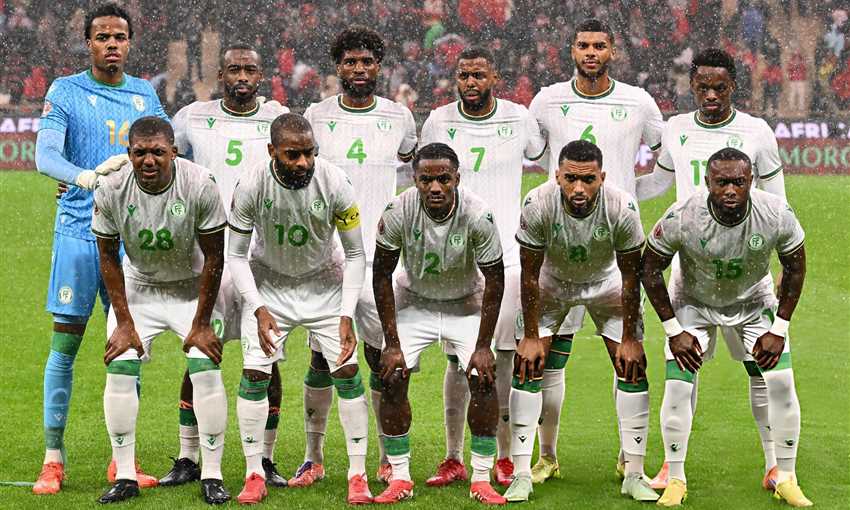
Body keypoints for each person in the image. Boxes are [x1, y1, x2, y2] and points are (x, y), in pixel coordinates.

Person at [635, 48, 786, 491]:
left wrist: (781, 263)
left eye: (720, 87)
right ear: (692, 86)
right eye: (703, 87)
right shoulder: (677, 129)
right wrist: (617, 189)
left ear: (733, 86)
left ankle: (775, 465)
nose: (712, 95)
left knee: (761, 369)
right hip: (692, 273)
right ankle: (672, 465)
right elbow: (659, 182)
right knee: (683, 368)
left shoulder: (757, 131)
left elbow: (778, 201)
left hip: (748, 275)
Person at [33, 2, 167, 495]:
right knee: (65, 343)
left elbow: (170, 149)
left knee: (128, 345)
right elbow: (45, 155)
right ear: (88, 43)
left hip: (130, 238)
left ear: (130, 43)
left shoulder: (144, 93)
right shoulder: (65, 90)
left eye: (120, 36)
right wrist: (84, 177)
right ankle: (53, 458)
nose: (112, 44)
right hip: (77, 232)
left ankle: (122, 460)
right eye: (103, 36)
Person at [527, 17, 663, 483]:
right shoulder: (547, 100)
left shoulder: (638, 101)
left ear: (612, 51)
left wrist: (631, 196)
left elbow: (668, 161)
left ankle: (630, 457)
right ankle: (546, 456)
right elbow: (533, 154)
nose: (591, 53)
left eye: (599, 46)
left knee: (626, 354)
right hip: (560, 249)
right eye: (583, 45)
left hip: (616, 249)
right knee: (550, 358)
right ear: (572, 50)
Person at [642, 148, 812, 508]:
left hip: (753, 302)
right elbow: (649, 267)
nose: (730, 190)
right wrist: (673, 329)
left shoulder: (775, 212)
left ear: (751, 180)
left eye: (738, 182)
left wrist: (779, 328)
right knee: (678, 386)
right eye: (722, 182)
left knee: (781, 382)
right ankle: (675, 478)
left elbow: (796, 267)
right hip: (693, 302)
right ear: (708, 182)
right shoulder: (683, 215)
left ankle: (785, 475)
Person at [161, 43, 290, 489]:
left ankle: (266, 459)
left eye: (249, 70)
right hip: (210, 256)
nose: (241, 77)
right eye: (233, 69)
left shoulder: (277, 117)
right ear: (220, 75)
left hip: (261, 258)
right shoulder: (192, 117)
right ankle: (188, 456)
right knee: (201, 352)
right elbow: (160, 161)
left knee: (267, 358)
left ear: (261, 75)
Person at [228, 113, 371, 505]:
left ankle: (357, 475)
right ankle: (254, 473)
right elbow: (235, 255)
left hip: (324, 286)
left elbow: (356, 254)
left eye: (310, 152)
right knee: (254, 375)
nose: (304, 162)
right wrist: (257, 307)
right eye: (293, 155)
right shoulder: (250, 185)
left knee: (347, 373)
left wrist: (346, 313)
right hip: (270, 287)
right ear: (272, 151)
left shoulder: (335, 181)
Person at [419, 46, 545, 488]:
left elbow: (545, 158)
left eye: (478, 75)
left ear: (495, 77)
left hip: (507, 255)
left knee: (503, 359)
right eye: (464, 75)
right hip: (456, 259)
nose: (470, 83)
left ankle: (505, 456)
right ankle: (454, 456)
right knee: (457, 360)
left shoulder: (519, 118)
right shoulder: (438, 121)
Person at [504, 140, 655, 503]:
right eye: (570, 178)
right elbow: (529, 274)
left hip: (607, 284)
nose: (578, 188)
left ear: (602, 177)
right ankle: (521, 474)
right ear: (557, 175)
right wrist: (531, 335)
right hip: (553, 283)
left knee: (632, 367)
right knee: (527, 366)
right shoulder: (537, 203)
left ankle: (634, 473)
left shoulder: (622, 206)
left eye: (588, 180)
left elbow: (631, 277)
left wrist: (631, 338)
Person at [300, 26, 417, 487]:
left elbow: (410, 160)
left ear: (379, 66)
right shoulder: (316, 115)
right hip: (328, 258)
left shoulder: (399, 117)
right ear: (338, 67)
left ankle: (388, 457)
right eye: (350, 61)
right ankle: (313, 457)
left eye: (367, 61)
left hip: (381, 259)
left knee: (382, 357)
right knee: (322, 360)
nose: (359, 69)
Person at [92, 117, 229, 504]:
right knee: (120, 368)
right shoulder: (110, 187)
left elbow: (215, 256)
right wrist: (123, 322)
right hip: (140, 288)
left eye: (158, 152)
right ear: (129, 154)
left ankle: (212, 474)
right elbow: (108, 257)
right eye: (140, 153)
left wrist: (202, 323)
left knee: (205, 369)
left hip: (192, 288)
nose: (148, 160)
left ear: (174, 152)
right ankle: (125, 475)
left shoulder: (200, 183)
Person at [371, 143, 506, 505]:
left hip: (466, 303)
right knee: (392, 375)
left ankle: (481, 478)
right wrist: (392, 343)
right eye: (426, 179)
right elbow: (381, 274)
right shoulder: (398, 211)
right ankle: (400, 477)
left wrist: (483, 346)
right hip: (415, 302)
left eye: (443, 179)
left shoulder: (478, 214)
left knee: (483, 377)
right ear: (414, 179)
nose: (435, 187)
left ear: (457, 178)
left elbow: (495, 279)